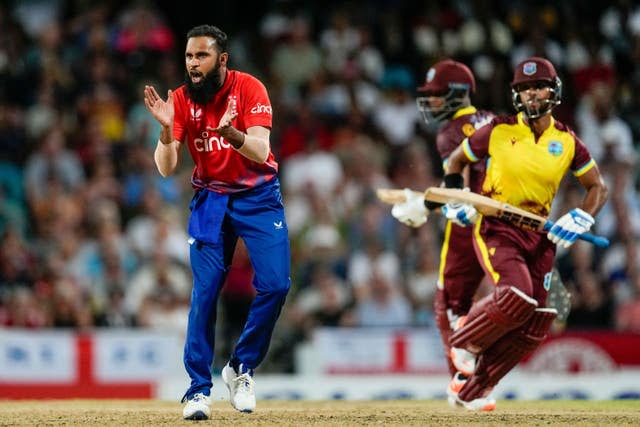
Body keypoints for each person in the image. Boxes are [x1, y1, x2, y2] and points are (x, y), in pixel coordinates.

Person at [442, 57, 607, 410]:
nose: (532, 95)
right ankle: (463, 341)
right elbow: (456, 162)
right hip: (498, 227)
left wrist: (581, 215)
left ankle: (470, 393)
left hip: (541, 236)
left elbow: (597, 187)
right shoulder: (498, 130)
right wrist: (454, 197)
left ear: (554, 90)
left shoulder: (566, 141)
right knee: (517, 293)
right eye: (524, 89)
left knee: (535, 322)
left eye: (538, 87)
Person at [143, 25, 291, 420]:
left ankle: (240, 367)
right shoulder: (179, 98)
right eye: (189, 57)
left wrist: (232, 134)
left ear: (221, 59)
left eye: (201, 56)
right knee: (205, 292)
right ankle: (197, 389)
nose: (192, 64)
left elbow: (261, 151)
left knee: (276, 284)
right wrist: (164, 130)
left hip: (259, 196)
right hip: (211, 199)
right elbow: (166, 167)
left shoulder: (249, 89)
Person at [390, 59, 494, 397]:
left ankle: (465, 384)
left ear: (457, 94)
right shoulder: (492, 120)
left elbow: (459, 190)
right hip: (500, 218)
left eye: (436, 95)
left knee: (450, 304)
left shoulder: (451, 131)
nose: (431, 102)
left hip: (472, 222)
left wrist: (424, 204)